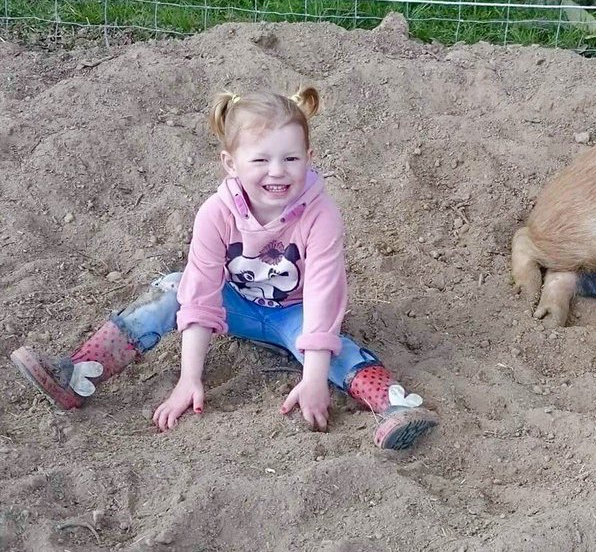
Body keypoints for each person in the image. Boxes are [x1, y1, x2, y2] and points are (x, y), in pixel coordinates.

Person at [10, 86, 437, 450]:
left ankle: (394, 405)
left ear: (309, 155)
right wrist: (189, 378)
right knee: (171, 287)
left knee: (331, 347)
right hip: (235, 305)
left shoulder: (321, 214)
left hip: (297, 313)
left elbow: (326, 295)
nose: (277, 172)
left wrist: (314, 378)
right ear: (231, 163)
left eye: (291, 159)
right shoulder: (215, 213)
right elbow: (199, 290)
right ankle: (80, 371)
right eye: (260, 161)